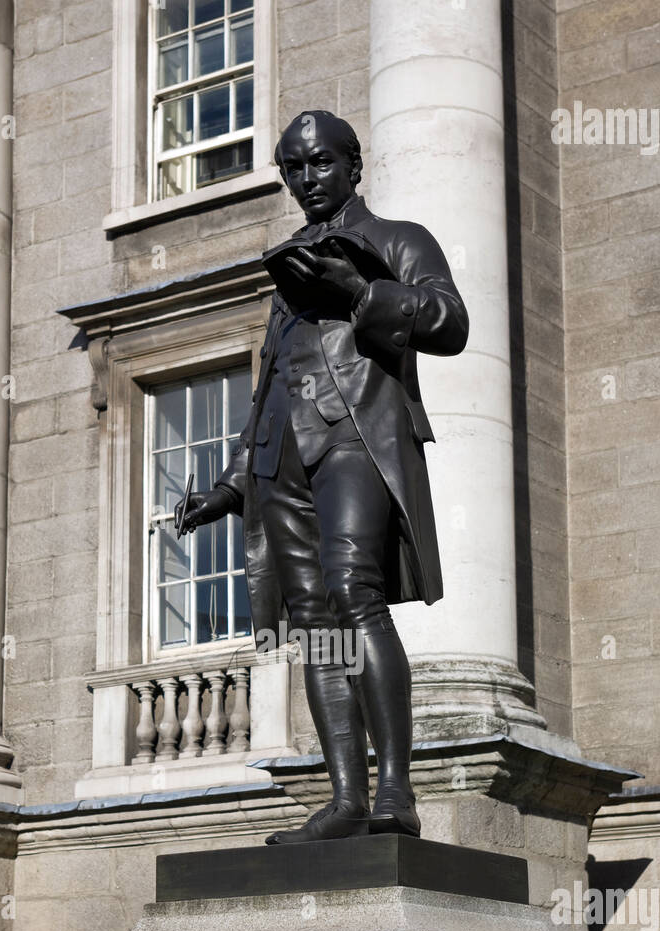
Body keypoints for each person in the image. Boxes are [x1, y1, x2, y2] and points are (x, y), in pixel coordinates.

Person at [181, 110, 468, 844]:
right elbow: (270, 381)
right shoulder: (288, 270)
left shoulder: (399, 238)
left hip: (353, 437)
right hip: (280, 458)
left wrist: (361, 295)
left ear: (352, 165)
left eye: (320, 163)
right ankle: (346, 798)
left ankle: (395, 790)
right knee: (313, 625)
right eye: (293, 168)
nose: (307, 179)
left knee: (353, 592)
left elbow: (450, 322)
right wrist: (231, 483)